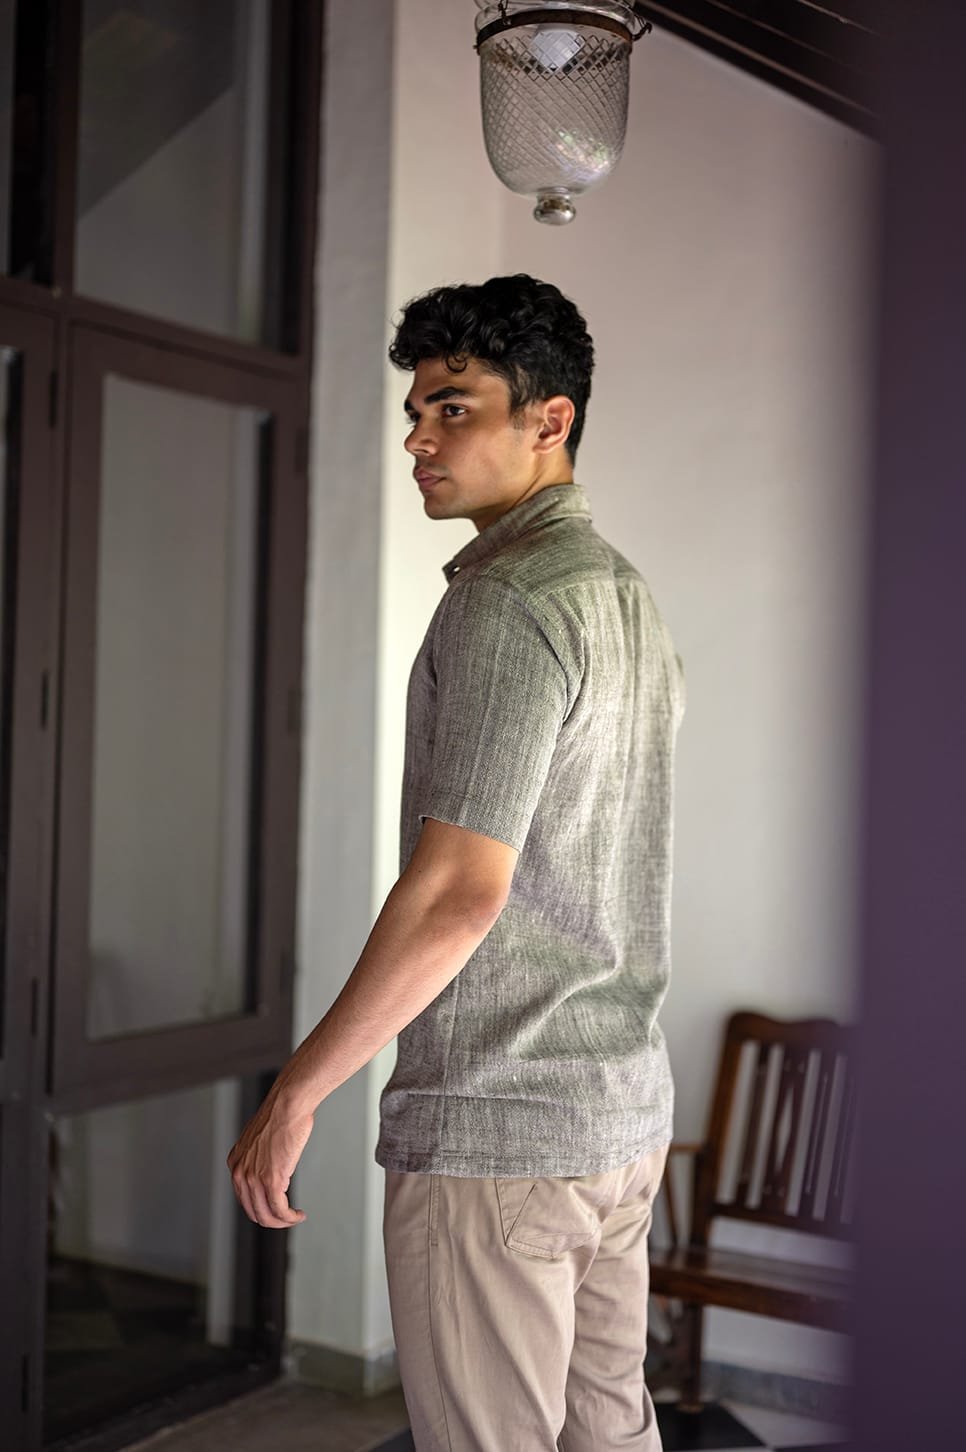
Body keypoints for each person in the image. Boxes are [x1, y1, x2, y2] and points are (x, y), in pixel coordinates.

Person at [228, 274, 685, 1452]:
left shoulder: (509, 600)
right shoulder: (624, 595)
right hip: (619, 1118)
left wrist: (297, 1091)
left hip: (503, 1130)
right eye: (415, 414)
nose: (419, 442)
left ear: (550, 419)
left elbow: (457, 893)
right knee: (609, 1436)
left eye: (454, 408)